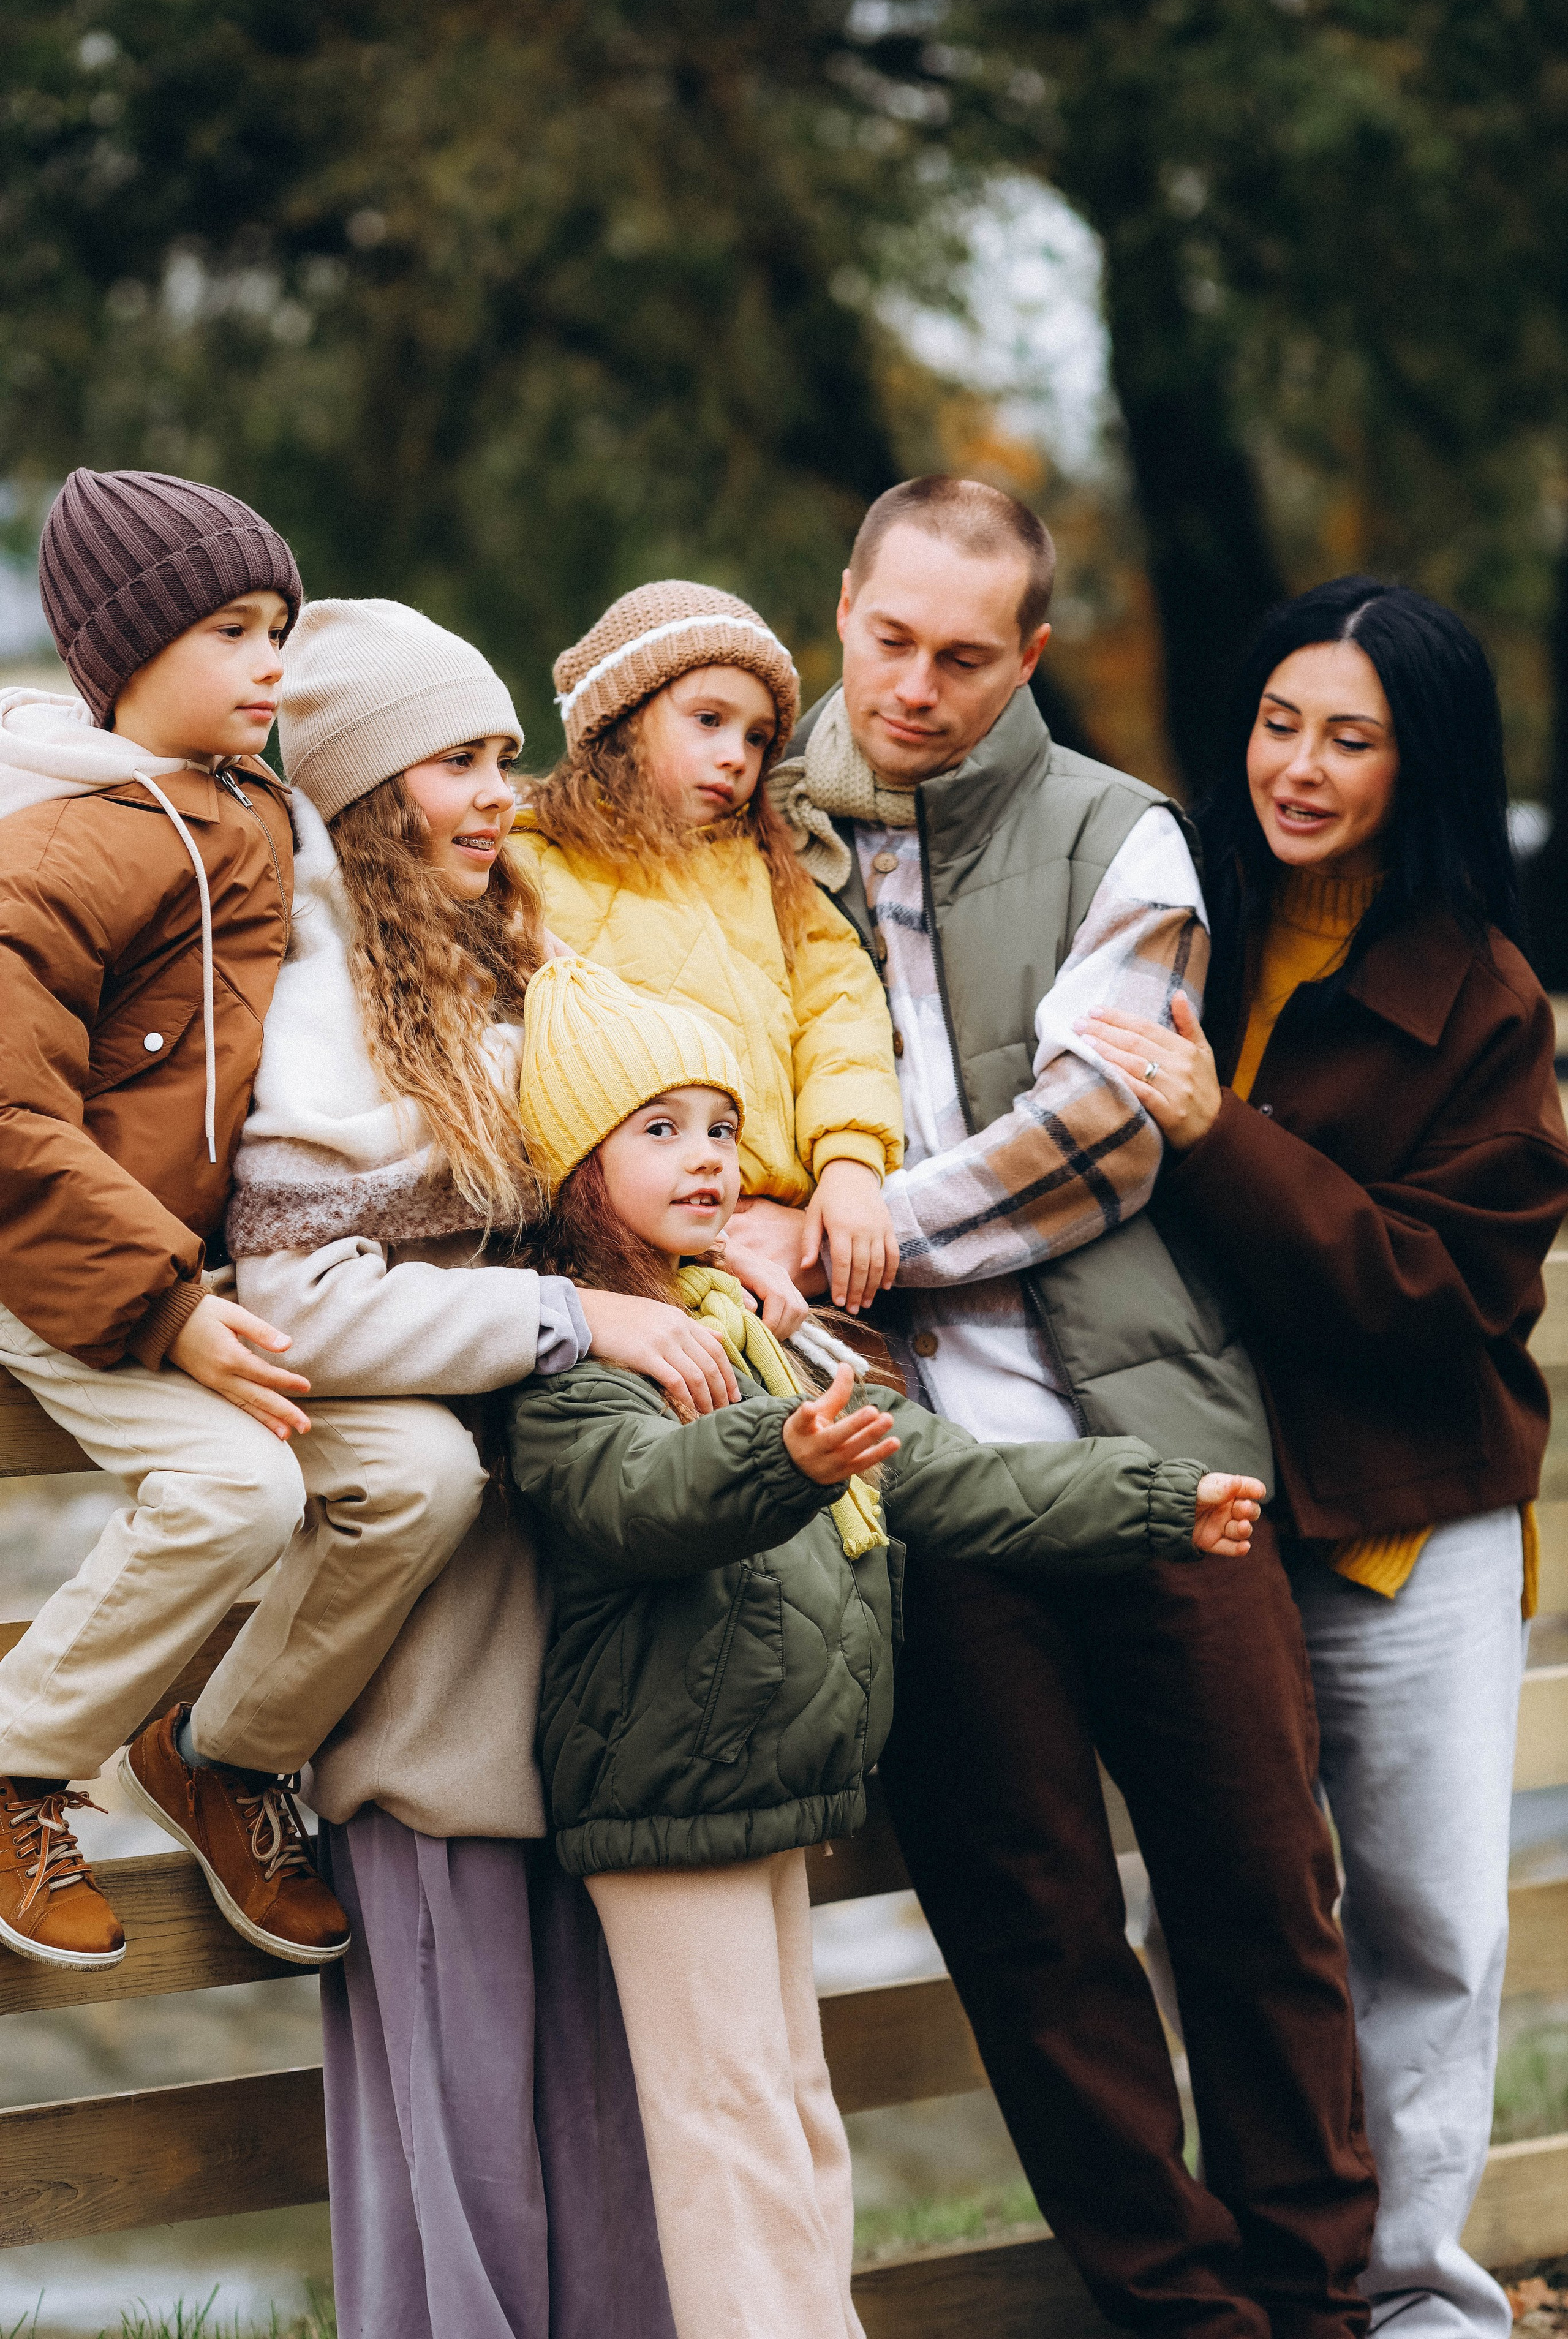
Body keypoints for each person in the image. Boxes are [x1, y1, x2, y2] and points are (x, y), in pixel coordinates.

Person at [730, 475, 1381, 2339]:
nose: (916, 685)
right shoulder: (751, 838)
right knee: (1030, 1933)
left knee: (1262, 1898)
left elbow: (1093, 1143)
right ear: (837, 607)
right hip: (920, 1488)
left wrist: (836, 1232)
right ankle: (1186, 2315)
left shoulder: (1126, 835)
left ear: (1026, 652)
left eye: (961, 653)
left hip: (1160, 1456)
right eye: (885, 640)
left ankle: (1315, 2304)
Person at [503, 951, 1265, 2339]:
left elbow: (956, 1475)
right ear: (573, 1167)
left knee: (794, 2108)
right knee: (726, 2128)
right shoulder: (588, 1358)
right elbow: (635, 1500)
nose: (709, 1159)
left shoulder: (755, 1329)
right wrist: (779, 1450)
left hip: (760, 1786)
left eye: (723, 1128)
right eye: (658, 1130)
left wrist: (1156, 1498)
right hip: (662, 1800)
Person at [211, 597, 708, 2336]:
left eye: (507, 754)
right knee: (460, 2084)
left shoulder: (498, 952)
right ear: (359, 790)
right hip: (433, 1655)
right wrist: (571, 1328)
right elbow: (301, 1298)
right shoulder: (326, 998)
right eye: (456, 763)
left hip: (560, 1620)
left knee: (592, 2083)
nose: (500, 793)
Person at [1079, 574, 1568, 2339]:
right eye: (1281, 723)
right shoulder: (1163, 923)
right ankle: (1270, 2276)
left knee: (1429, 1921)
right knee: (1226, 1913)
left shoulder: (1490, 1001)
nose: (1298, 766)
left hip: (1406, 1526)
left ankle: (1420, 2293)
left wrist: (1219, 1143)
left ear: (1416, 765)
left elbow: (1438, 1289)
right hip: (1203, 1515)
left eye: (1349, 739)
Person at [0, 465, 353, 1969]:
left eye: (279, 623)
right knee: (238, 1495)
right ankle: (21, 1762)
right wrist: (173, 1303)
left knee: (421, 1480)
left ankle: (216, 1747)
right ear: (123, 658)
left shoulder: (256, 811)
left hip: (194, 1262)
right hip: (56, 1264)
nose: (273, 658)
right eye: (229, 628)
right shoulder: (62, 843)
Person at [516, 579, 902, 1325]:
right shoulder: (536, 862)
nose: (735, 756)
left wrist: (850, 1167)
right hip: (626, 1265)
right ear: (621, 717)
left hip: (791, 1257)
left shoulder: (771, 872)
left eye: (758, 738)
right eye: (708, 720)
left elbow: (842, 1018)